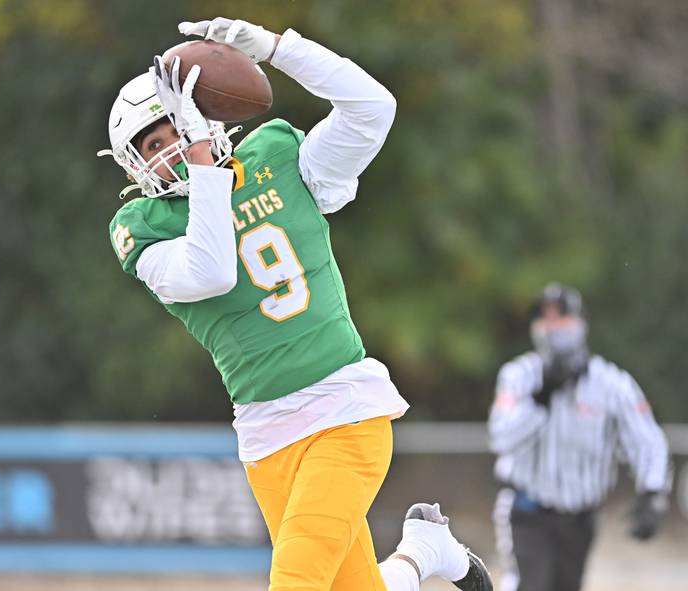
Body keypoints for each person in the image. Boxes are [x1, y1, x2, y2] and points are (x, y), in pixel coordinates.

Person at [98, 16, 492, 591]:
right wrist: (205, 162)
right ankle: (424, 552)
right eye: (155, 144)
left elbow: (372, 109)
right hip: (265, 436)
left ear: (206, 119)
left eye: (176, 129)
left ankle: (425, 551)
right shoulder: (143, 229)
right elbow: (209, 270)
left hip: (345, 412)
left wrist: (280, 50)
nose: (172, 150)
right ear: (134, 166)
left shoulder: (277, 158)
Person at [488, 283, 672, 591]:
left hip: (579, 520)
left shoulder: (611, 383)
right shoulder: (519, 377)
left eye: (561, 319)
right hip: (527, 512)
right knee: (527, 585)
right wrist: (539, 401)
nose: (552, 328)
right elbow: (500, 437)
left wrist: (653, 493)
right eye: (545, 320)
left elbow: (647, 440)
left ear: (581, 323)